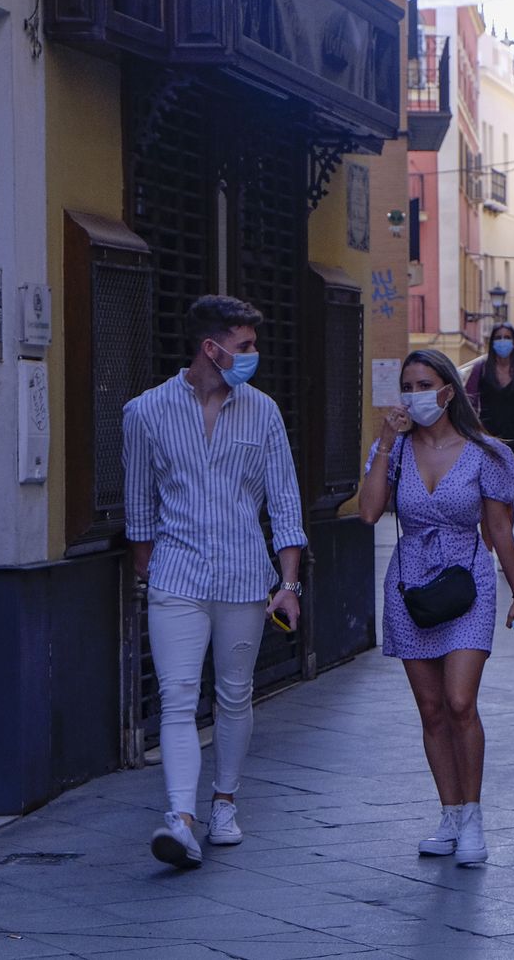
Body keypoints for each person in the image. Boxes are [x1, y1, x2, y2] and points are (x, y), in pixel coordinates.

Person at [123, 295, 307, 869]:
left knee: (233, 694)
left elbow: (285, 503)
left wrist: (289, 584)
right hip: (175, 576)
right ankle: (180, 817)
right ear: (213, 348)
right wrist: (148, 573)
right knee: (176, 697)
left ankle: (223, 802)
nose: (254, 355)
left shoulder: (265, 412)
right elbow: (138, 510)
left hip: (245, 578)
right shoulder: (145, 413)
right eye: (246, 346)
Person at [357, 349, 514, 866]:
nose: (414, 393)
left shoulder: (488, 453)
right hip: (411, 584)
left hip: (469, 581)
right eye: (407, 384)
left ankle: (473, 815)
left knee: (459, 701)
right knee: (431, 709)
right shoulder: (394, 451)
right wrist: (386, 445)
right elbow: (367, 512)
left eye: (424, 383)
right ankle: (449, 813)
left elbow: (499, 529)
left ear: (448, 392)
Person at [465, 323, 514, 481]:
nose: (503, 341)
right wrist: (469, 434)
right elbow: (468, 403)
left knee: (509, 496)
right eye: (498, 337)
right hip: (486, 437)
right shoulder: (481, 369)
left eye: (507, 337)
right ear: (492, 343)